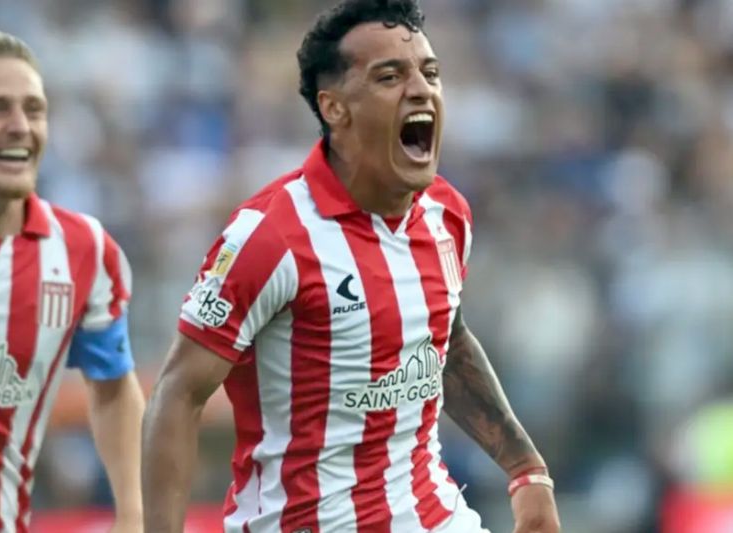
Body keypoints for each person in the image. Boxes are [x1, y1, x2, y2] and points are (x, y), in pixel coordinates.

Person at [142, 1, 560, 531]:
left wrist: (526, 470)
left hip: (433, 514)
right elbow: (178, 393)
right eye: (390, 76)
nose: (420, 89)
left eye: (430, 73)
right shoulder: (271, 236)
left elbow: (443, 342)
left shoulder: (446, 214)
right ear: (334, 108)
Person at [0, 30, 144, 532]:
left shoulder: (84, 251)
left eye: (34, 109)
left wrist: (135, 514)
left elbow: (113, 387)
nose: (20, 126)